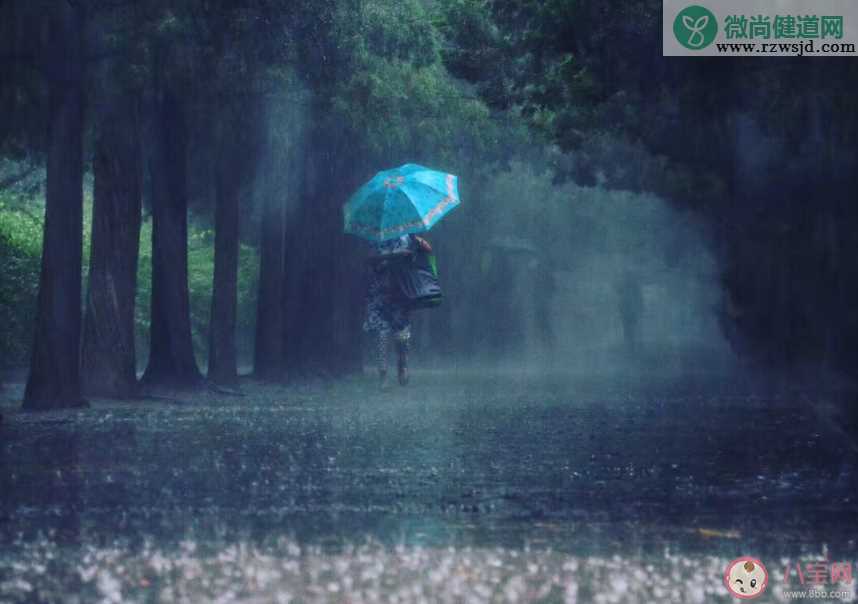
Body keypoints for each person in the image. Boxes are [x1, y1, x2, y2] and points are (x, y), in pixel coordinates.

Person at [363, 233, 432, 387]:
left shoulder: (409, 237)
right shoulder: (376, 238)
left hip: (401, 291)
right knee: (382, 334)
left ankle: (403, 363)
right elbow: (371, 260)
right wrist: (391, 257)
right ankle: (383, 375)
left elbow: (425, 252)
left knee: (402, 335)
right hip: (380, 293)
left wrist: (417, 246)